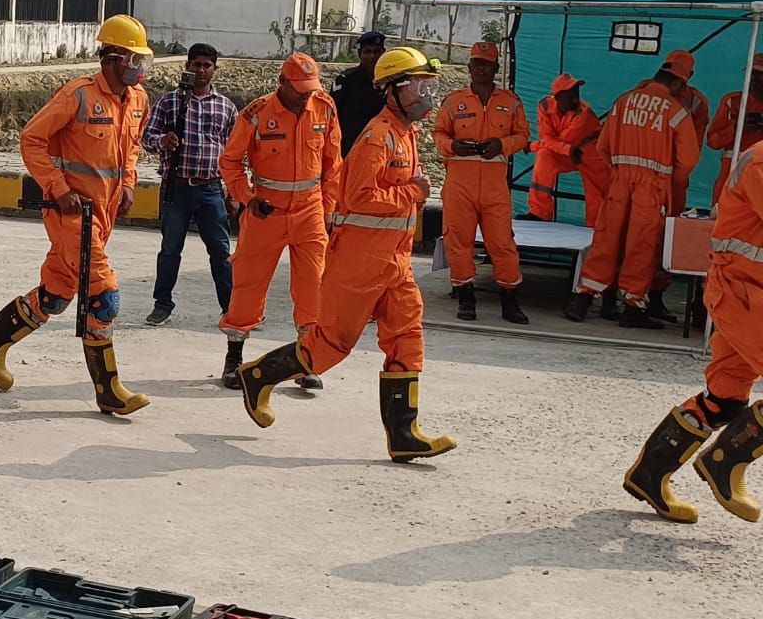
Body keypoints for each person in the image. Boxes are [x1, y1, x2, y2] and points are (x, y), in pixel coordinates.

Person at [238, 46, 454, 462]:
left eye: (431, 85)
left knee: (407, 337)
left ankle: (404, 434)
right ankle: (258, 376)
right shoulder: (378, 136)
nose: (427, 95)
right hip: (359, 262)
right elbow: (361, 196)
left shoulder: (406, 133)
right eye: (419, 87)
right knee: (329, 346)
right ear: (391, 91)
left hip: (394, 261)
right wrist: (415, 193)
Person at [0, 15, 153, 415]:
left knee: (55, 295)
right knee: (104, 299)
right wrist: (59, 187)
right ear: (113, 59)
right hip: (72, 213)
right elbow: (32, 139)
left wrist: (127, 183)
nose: (141, 67)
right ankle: (109, 391)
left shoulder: (137, 100)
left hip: (104, 215)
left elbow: (132, 147)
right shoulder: (78, 95)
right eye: (135, 59)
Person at [623, 140, 763, 523]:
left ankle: (649, 473)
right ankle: (724, 461)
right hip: (744, 294)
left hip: (748, 293)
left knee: (725, 398)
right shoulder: (761, 161)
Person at [218, 53, 341, 391]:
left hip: (310, 211)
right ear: (282, 83)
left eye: (310, 88)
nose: (306, 95)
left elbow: (334, 166)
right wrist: (247, 199)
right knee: (248, 285)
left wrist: (328, 210)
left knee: (313, 286)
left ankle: (307, 361)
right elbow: (229, 162)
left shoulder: (325, 108)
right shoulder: (257, 114)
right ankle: (234, 359)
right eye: (299, 89)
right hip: (266, 211)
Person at [565, 52, 700, 330]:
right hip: (651, 187)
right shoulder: (675, 111)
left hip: (619, 181)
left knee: (606, 239)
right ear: (681, 82)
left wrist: (619, 171)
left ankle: (582, 298)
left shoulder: (623, 101)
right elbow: (687, 161)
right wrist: (667, 182)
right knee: (642, 245)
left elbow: (602, 147)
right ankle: (633, 305)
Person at [433, 41, 531, 324]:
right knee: (458, 241)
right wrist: (452, 146)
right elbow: (438, 134)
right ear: (469, 67)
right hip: (459, 184)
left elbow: (524, 136)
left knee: (502, 244)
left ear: (496, 68)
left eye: (486, 64)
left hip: (494, 186)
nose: (480, 68)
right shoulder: (453, 101)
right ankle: (465, 297)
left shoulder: (511, 102)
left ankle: (510, 300)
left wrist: (501, 144)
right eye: (476, 63)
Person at [139, 43, 236, 325]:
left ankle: (231, 307)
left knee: (220, 250)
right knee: (170, 248)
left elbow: (234, 152)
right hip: (176, 187)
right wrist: (163, 141)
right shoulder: (170, 102)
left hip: (211, 188)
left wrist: (234, 193)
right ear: (187, 67)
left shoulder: (226, 107)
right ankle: (162, 304)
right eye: (196, 65)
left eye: (207, 65)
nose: (201, 70)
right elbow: (146, 137)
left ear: (215, 70)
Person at [526, 74, 609, 227]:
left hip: (590, 151)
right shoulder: (544, 106)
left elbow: (560, 141)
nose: (575, 98)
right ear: (557, 97)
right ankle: (539, 213)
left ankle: (597, 227)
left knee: (597, 190)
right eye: (570, 94)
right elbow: (550, 140)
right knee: (545, 156)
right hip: (568, 151)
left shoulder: (584, 114)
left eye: (576, 92)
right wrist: (558, 147)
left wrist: (532, 146)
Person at [706, 53, 763, 207]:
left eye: (760, 75)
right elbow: (712, 141)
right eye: (752, 74)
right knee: (720, 222)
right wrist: (737, 127)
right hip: (730, 176)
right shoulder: (732, 101)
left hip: (759, 179)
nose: (754, 80)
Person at [332, 30, 388, 156]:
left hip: (380, 145)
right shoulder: (346, 80)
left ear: (383, 53)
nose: (372, 56)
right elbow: (332, 113)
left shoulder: (390, 81)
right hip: (350, 146)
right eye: (367, 52)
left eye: (376, 52)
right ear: (359, 53)